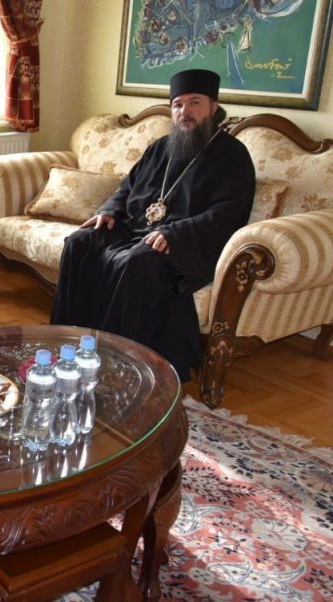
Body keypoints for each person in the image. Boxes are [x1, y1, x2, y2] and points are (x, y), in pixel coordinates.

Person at [51, 69, 255, 381]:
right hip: (137, 228)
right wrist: (109, 210)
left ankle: (119, 361)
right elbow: (127, 186)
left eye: (194, 103)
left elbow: (227, 213)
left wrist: (175, 233)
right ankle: (69, 341)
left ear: (213, 107)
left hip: (187, 243)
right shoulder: (161, 147)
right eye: (177, 104)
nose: (184, 111)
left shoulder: (233, 156)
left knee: (137, 262)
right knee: (80, 242)